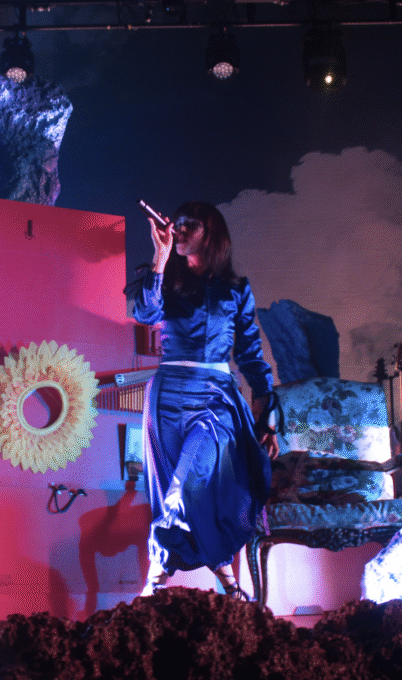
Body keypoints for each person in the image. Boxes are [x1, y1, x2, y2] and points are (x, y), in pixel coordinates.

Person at [132, 201, 279, 600]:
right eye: (176, 223)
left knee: (190, 485)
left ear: (210, 232)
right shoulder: (164, 278)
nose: (178, 230)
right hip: (166, 397)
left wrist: (268, 417)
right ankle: (226, 582)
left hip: (215, 397)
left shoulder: (236, 289)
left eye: (189, 225)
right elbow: (145, 313)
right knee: (172, 488)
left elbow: (250, 355)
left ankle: (157, 574)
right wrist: (160, 257)